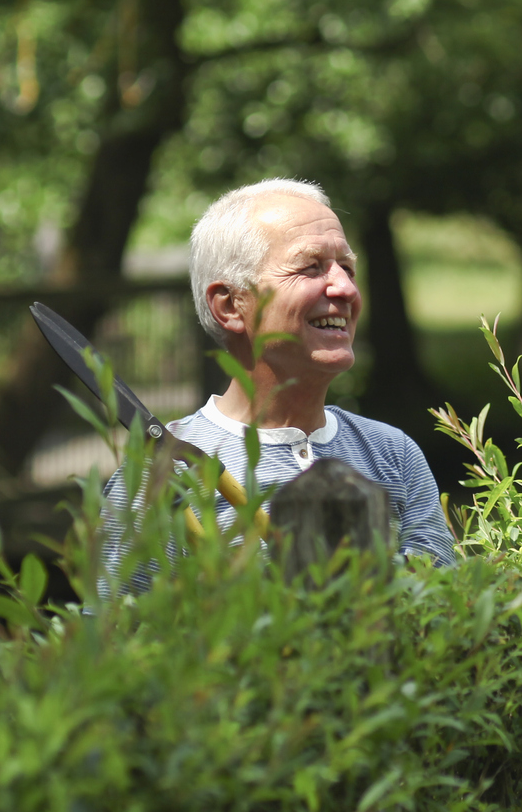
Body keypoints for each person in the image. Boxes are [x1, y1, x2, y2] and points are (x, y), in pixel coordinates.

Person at [99, 178, 455, 594]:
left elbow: (443, 616)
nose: (346, 288)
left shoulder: (392, 454)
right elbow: (112, 641)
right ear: (231, 305)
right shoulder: (155, 477)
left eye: (348, 267)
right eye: (310, 267)